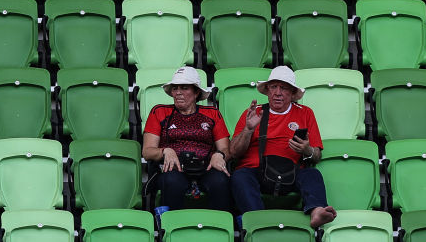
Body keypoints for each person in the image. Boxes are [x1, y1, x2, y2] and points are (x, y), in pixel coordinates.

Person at [229, 65, 337, 228]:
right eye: (273, 87)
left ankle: (316, 212)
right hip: (257, 169)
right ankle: (258, 221)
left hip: (292, 172)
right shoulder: (253, 113)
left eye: (284, 88)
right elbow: (234, 152)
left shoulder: (305, 113)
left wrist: (306, 150)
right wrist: (248, 129)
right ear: (267, 90)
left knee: (312, 174)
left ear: (293, 93)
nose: (277, 93)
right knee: (240, 177)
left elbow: (316, 155)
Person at [142, 66, 231, 211]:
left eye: (184, 88)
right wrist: (165, 151)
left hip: (206, 166)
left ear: (196, 92)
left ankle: (219, 229)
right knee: (172, 181)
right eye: (175, 88)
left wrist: (219, 155)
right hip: (173, 167)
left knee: (220, 181)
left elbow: (226, 149)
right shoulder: (159, 112)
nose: (178, 93)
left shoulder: (213, 114)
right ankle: (173, 228)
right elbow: (147, 151)